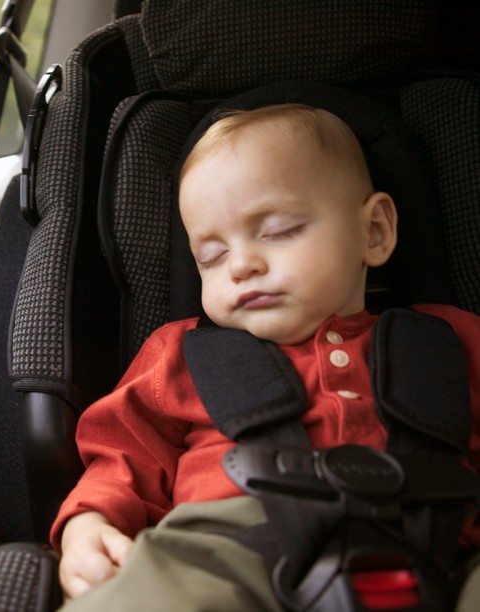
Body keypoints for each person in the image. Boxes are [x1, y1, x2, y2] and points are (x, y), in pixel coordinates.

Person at [50, 103, 480, 610]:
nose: (242, 266)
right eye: (211, 256)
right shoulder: (180, 354)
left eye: (278, 231)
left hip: (444, 543)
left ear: (375, 231)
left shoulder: (452, 338)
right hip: (225, 544)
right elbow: (124, 455)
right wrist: (91, 521)